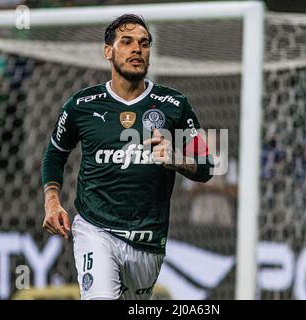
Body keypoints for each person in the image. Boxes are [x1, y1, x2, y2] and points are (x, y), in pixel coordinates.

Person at [41, 14, 214, 300]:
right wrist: (51, 201)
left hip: (149, 242)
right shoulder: (81, 105)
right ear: (108, 51)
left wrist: (178, 159)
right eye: (127, 42)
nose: (137, 49)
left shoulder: (175, 105)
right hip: (95, 229)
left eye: (144, 44)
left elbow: (207, 165)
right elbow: (54, 155)